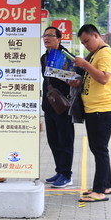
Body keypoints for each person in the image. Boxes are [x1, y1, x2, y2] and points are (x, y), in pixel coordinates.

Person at [71, 24, 111, 203]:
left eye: (87, 41)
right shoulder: (96, 54)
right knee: (100, 149)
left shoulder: (105, 53)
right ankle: (104, 185)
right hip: (95, 109)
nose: (86, 45)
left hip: (103, 110)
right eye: (83, 43)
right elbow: (93, 77)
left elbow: (104, 78)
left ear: (96, 35)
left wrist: (84, 64)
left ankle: (99, 191)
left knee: (99, 150)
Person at [40, 26, 75, 188]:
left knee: (65, 140)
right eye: (44, 35)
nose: (46, 38)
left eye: (50, 35)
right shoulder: (44, 57)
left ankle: (67, 175)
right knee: (53, 140)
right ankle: (59, 171)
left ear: (59, 39)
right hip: (49, 105)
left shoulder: (66, 56)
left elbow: (76, 75)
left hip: (64, 105)